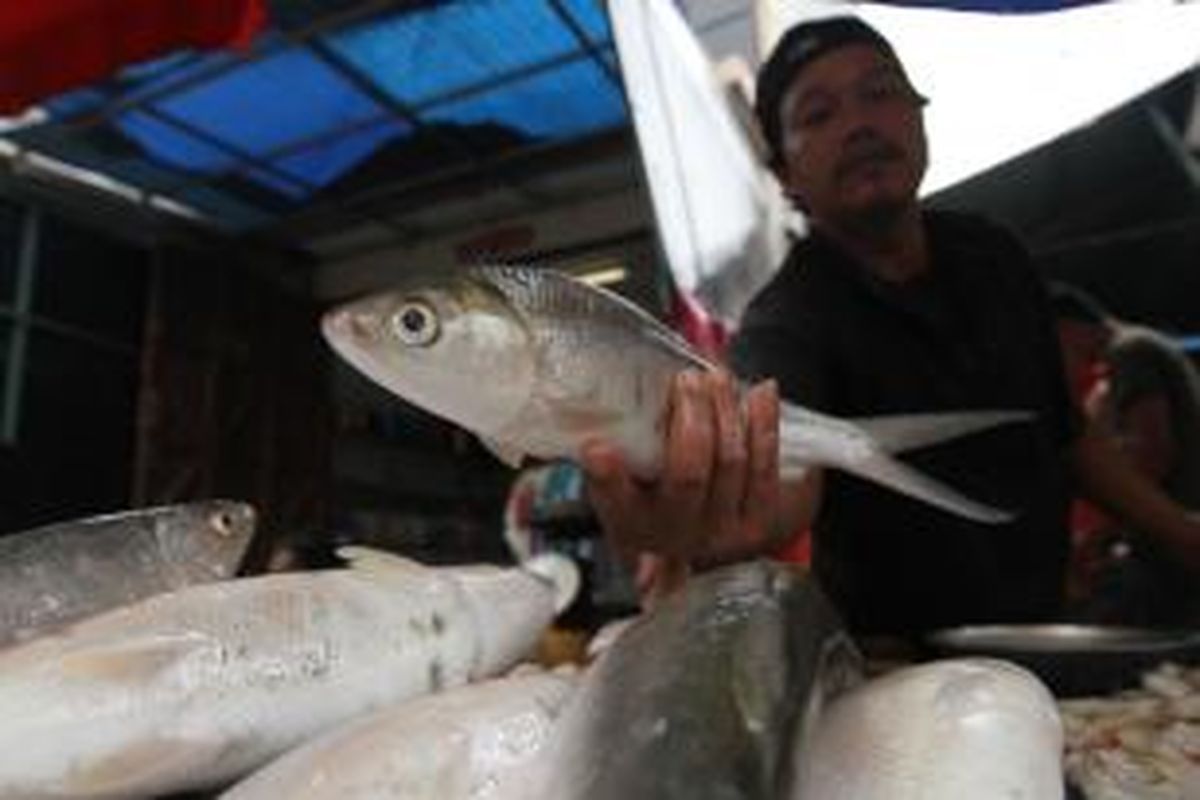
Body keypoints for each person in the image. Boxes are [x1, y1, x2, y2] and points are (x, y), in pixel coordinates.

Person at [581, 15, 1200, 637]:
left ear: (920, 114)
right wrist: (728, 513)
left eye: (880, 93)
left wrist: (1184, 533)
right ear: (785, 176)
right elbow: (787, 477)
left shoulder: (996, 253)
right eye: (818, 115)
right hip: (893, 669)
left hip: (1046, 633)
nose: (858, 125)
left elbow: (1070, 434)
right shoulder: (787, 318)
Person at [1049, 282, 1200, 625]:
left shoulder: (1130, 351)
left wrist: (1102, 533)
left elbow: (1152, 450)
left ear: (1066, 327)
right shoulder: (1143, 349)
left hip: (1174, 536)